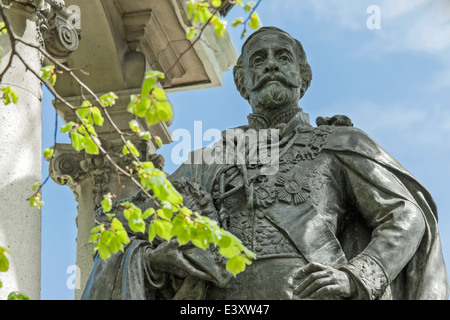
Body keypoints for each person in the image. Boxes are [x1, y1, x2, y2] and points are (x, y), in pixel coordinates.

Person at [82, 27, 449, 300]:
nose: (271, 63)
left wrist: (356, 275)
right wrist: (152, 260)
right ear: (243, 82)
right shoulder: (209, 161)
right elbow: (132, 226)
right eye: (259, 59)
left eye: (282, 56)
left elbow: (405, 214)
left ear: (303, 78)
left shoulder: (338, 142)